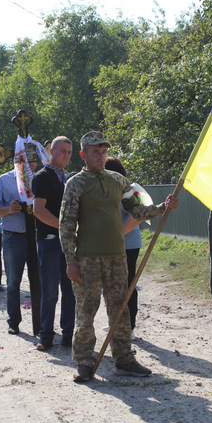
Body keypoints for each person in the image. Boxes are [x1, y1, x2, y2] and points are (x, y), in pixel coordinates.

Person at [60, 131, 179, 382]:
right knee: (86, 310)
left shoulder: (118, 181)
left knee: (120, 309)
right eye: (95, 151)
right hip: (87, 258)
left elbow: (136, 209)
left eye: (103, 151)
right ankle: (83, 360)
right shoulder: (76, 184)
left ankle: (124, 359)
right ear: (83, 154)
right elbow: (66, 224)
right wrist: (71, 261)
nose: (100, 155)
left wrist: (161, 208)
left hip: (117, 256)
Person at [0, 144, 40, 335]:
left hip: (36, 236)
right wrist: (9, 209)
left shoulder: (40, 179)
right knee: (13, 281)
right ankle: (14, 321)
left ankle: (41, 322)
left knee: (39, 280)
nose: (32, 164)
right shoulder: (4, 180)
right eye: (28, 160)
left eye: (34, 160)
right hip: (14, 237)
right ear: (18, 160)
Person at [32, 136, 75, 351]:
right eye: (62, 151)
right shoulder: (42, 176)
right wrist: (62, 227)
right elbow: (38, 210)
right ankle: (46, 335)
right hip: (49, 240)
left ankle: (68, 334)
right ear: (51, 151)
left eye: (69, 152)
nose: (66, 155)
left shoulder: (67, 178)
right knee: (50, 291)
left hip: (67, 242)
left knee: (70, 289)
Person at [104, 156, 142, 335]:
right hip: (110, 244)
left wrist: (117, 235)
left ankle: (130, 326)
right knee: (111, 286)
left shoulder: (130, 190)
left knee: (127, 285)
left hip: (128, 244)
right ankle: (115, 322)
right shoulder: (104, 189)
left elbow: (137, 217)